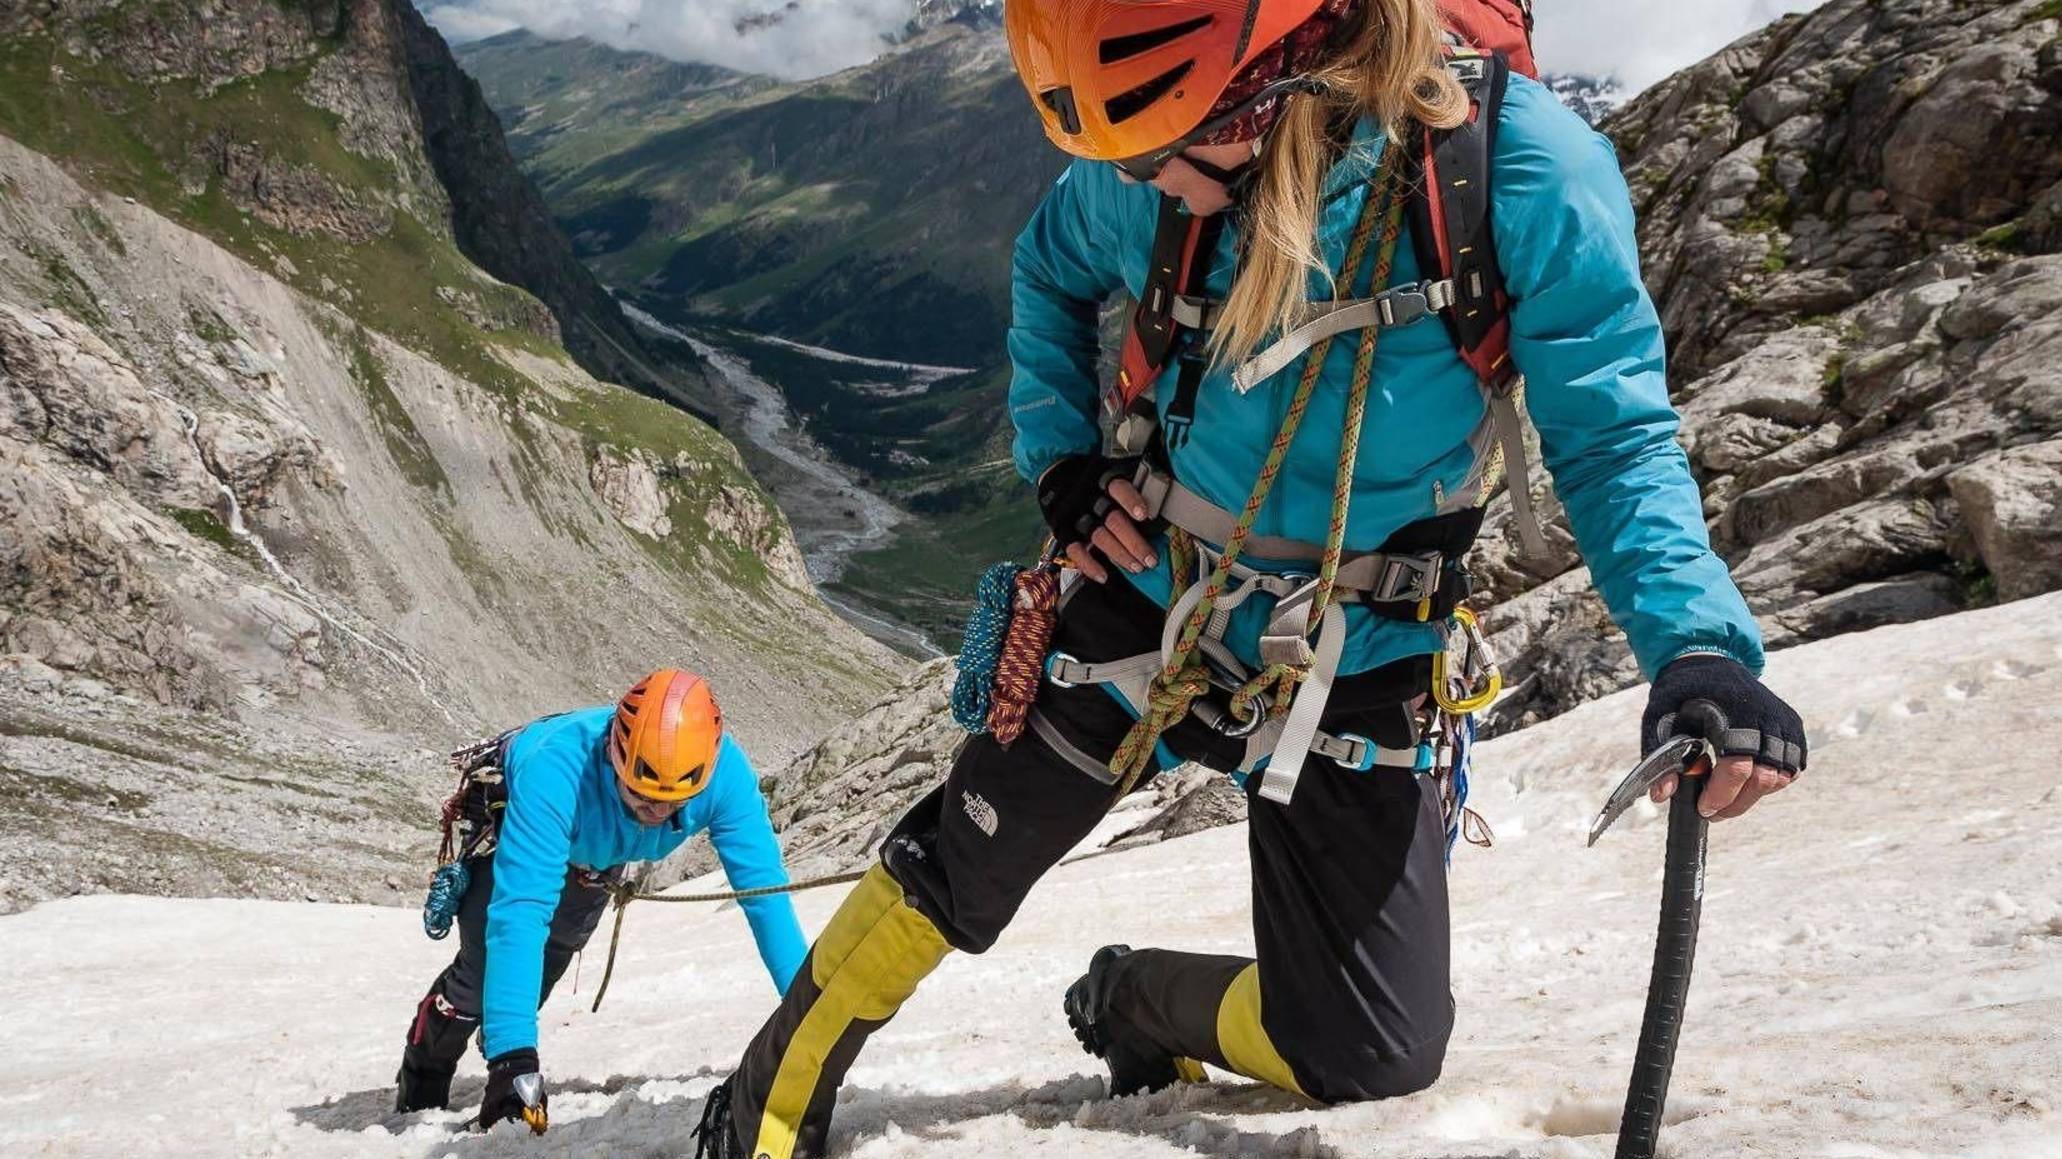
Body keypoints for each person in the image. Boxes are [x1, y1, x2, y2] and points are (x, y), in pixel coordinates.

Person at [693, 2, 1809, 1156]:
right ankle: (764, 1106)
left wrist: (1697, 648)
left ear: (1277, 84)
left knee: (1369, 1051)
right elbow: (1048, 266)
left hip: (1358, 649)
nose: (1143, 183)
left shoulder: (1517, 175)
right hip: (1154, 592)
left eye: (1163, 152)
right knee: (957, 867)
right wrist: (1063, 463)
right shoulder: (1170, 155)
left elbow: (1615, 443)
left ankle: (1136, 999)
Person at [394, 668, 807, 1132]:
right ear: (613, 755)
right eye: (641, 796)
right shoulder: (556, 770)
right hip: (523, 818)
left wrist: (807, 1009)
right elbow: (521, 913)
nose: (656, 813)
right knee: (481, 972)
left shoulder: (726, 775)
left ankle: (502, 1031)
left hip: (595, 854)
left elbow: (766, 896)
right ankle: (424, 1075)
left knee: (552, 957)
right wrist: (513, 1061)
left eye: (673, 803)